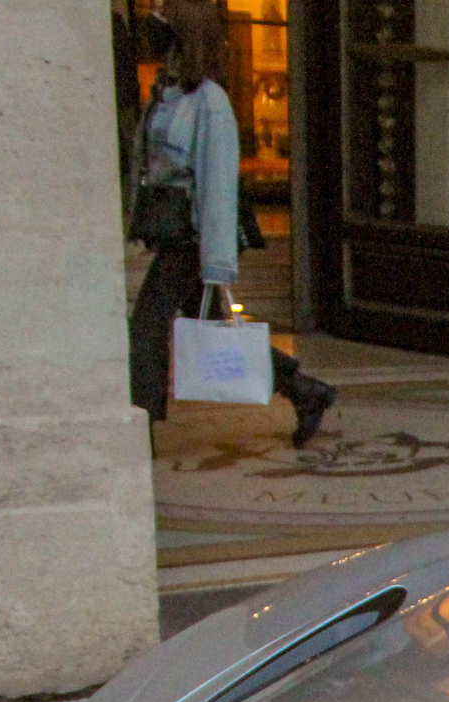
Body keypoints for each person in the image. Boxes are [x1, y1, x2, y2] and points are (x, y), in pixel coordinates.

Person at [128, 0, 335, 445]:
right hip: (175, 231)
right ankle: (304, 389)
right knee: (217, 329)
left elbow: (218, 187)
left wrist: (216, 263)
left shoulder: (209, 102)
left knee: (147, 325)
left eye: (165, 17)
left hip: (195, 235)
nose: (154, 24)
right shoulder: (168, 92)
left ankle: (138, 428)